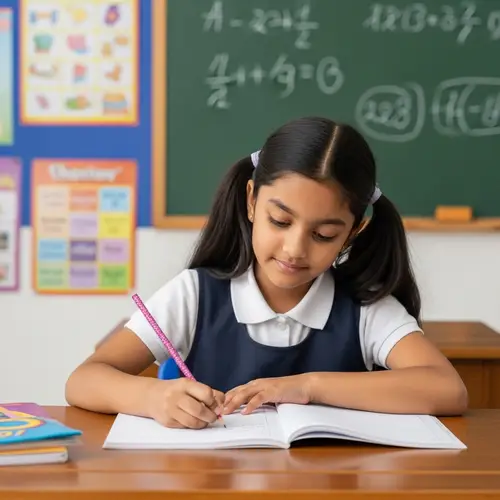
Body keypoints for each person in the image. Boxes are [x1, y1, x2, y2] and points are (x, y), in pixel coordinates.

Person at [65, 116, 468, 430]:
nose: (295, 249)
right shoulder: (195, 294)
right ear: (252, 201)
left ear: (353, 232)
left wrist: (307, 386)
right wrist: (152, 397)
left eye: (324, 234)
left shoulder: (366, 308)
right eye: (280, 221)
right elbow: (84, 380)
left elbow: (447, 388)